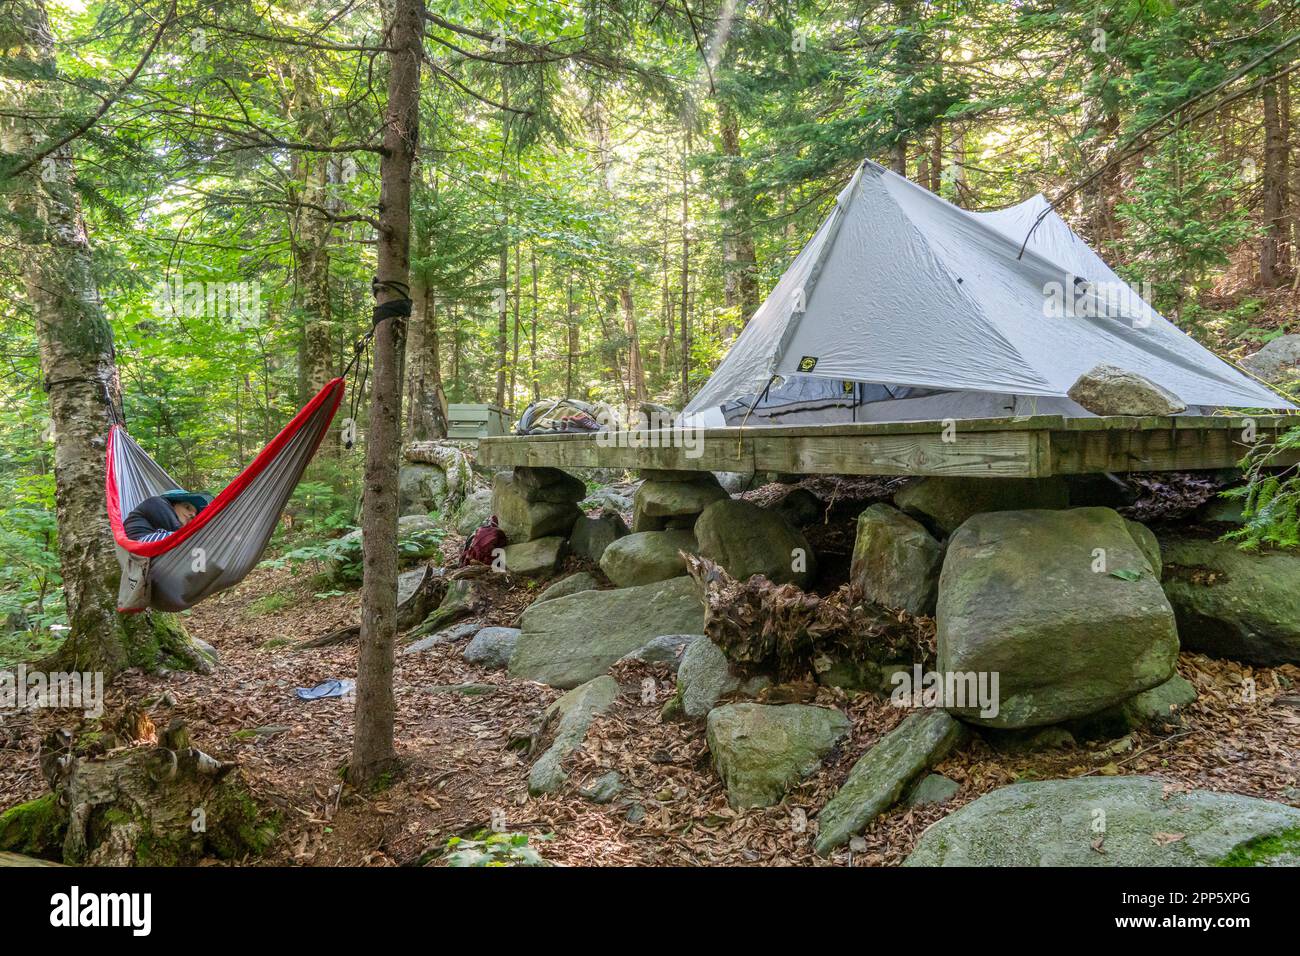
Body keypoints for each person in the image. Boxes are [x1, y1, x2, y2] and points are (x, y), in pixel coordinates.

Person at [124, 489, 213, 543]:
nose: (192, 514)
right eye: (187, 507)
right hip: (140, 543)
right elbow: (179, 532)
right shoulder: (156, 502)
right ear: (173, 504)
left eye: (194, 517)